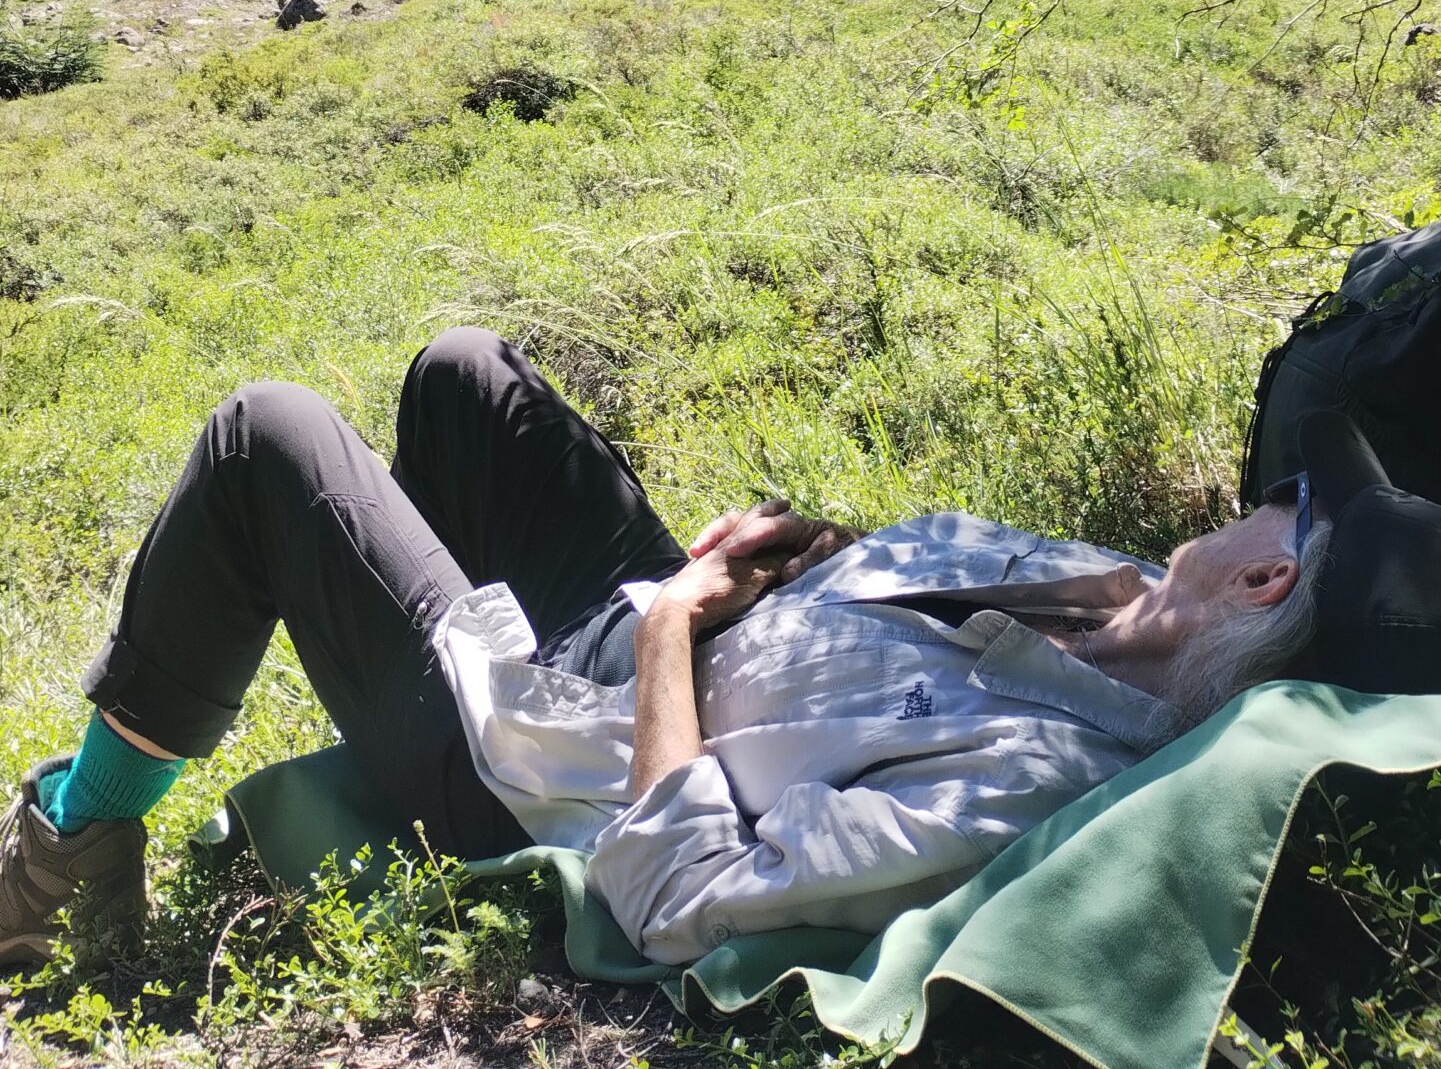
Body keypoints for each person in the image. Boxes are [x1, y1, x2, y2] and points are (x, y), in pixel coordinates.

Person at [0, 329, 1434, 973]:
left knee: (267, 434)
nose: (1255, 497)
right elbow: (884, 619)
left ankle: (64, 867)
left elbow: (682, 894)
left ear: (1263, 577)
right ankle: (381, 620)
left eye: (1286, 503)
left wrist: (678, 625)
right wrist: (804, 558)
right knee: (464, 373)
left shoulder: (1026, 776)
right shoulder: (1108, 585)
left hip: (541, 751)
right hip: (653, 620)